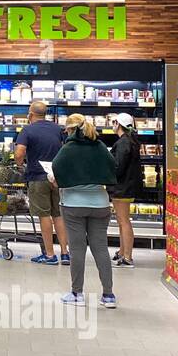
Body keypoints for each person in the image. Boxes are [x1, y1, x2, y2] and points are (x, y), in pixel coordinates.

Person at [52, 114, 118, 308]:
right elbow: (113, 166)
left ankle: (77, 294)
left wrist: (57, 179)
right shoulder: (100, 147)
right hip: (100, 203)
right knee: (100, 248)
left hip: (73, 204)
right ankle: (108, 295)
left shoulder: (68, 148)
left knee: (77, 249)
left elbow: (56, 168)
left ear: (70, 130)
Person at [12, 101, 68, 265]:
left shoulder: (27, 129)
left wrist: (20, 164)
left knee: (44, 215)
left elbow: (19, 152)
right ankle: (65, 253)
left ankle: (50, 255)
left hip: (38, 177)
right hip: (57, 178)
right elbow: (65, 148)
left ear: (30, 114)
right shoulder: (58, 128)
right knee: (58, 215)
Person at [109, 112, 143, 268]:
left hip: (122, 187)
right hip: (126, 186)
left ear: (118, 124)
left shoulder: (123, 143)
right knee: (122, 221)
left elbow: (118, 166)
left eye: (114, 122)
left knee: (123, 221)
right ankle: (122, 252)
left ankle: (127, 256)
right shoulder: (130, 141)